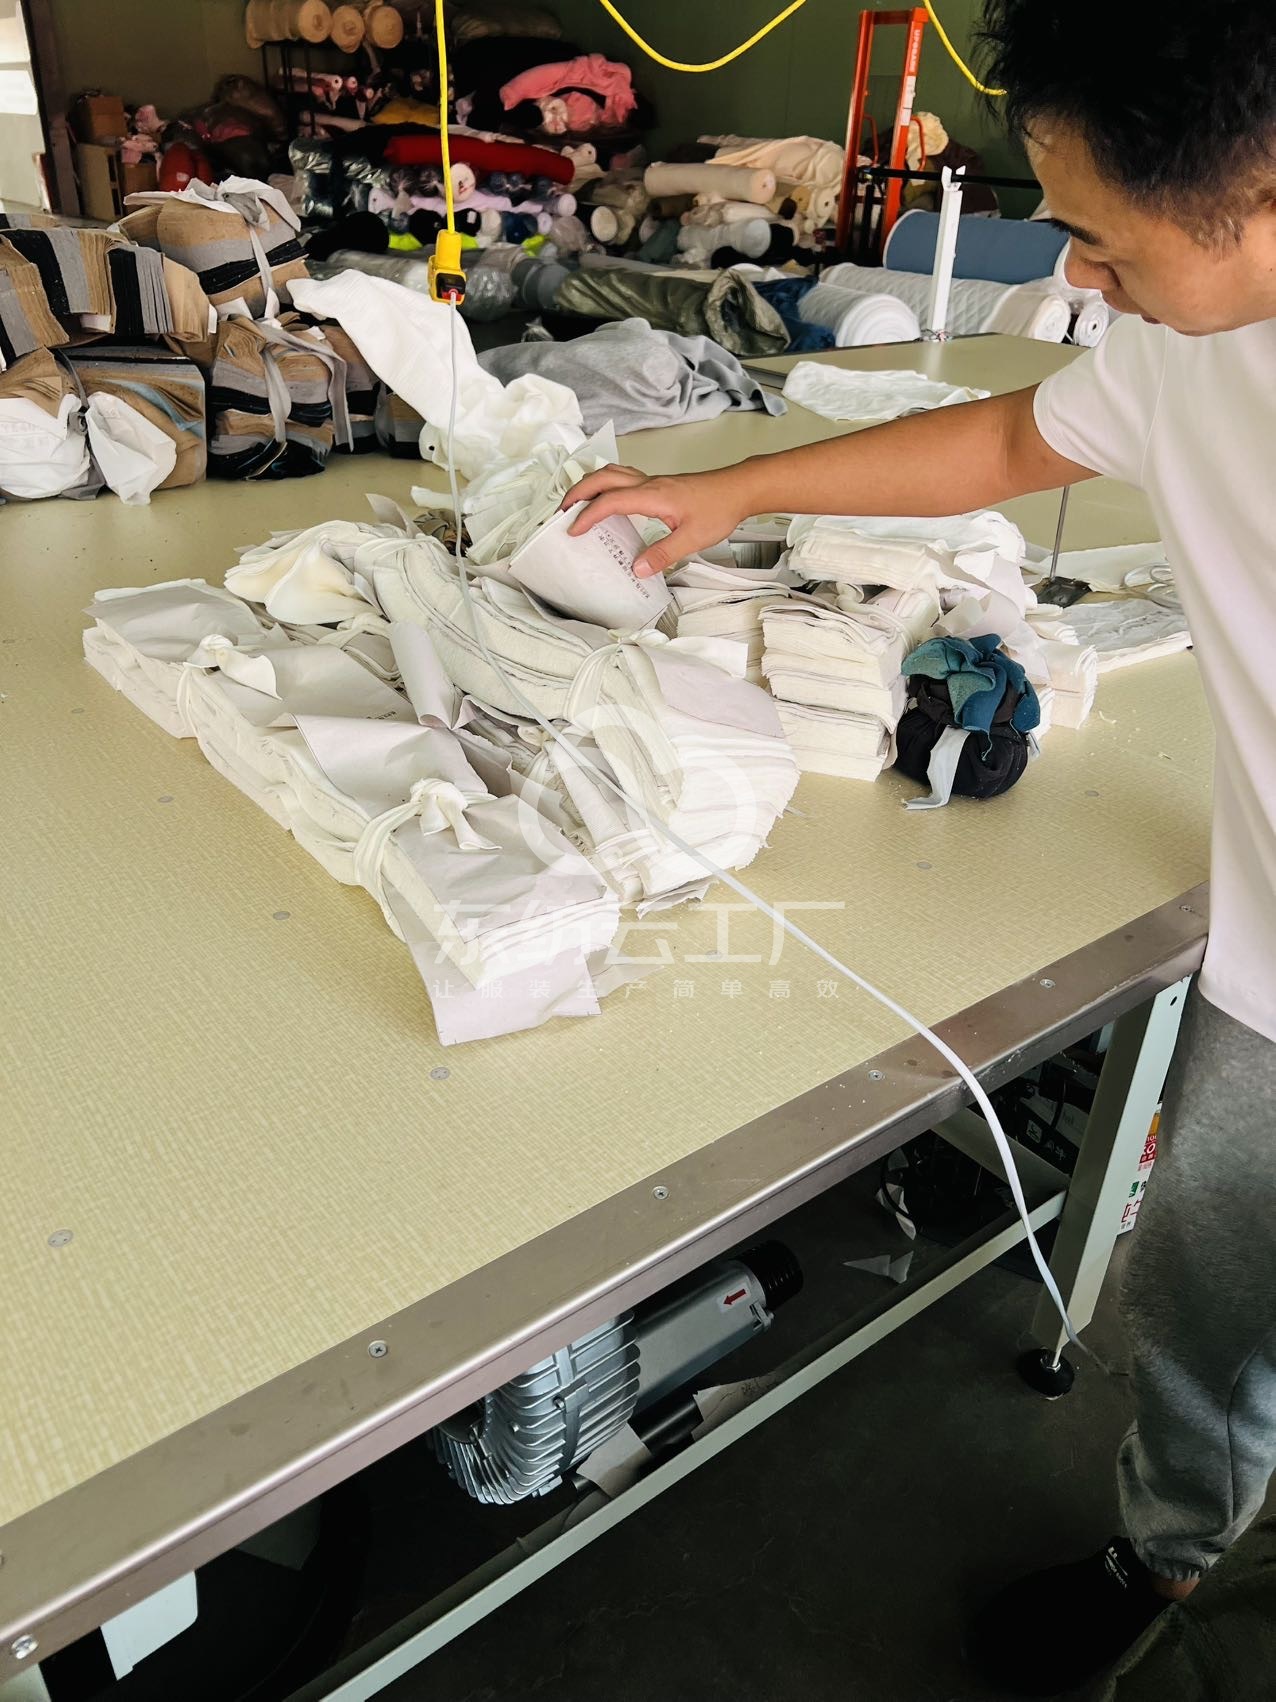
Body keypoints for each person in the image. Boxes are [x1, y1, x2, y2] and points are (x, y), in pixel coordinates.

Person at [563, 2, 1276, 1691]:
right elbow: (1018, 439)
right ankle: (1171, 1554)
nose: (1077, 273)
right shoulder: (1191, 341)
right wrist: (743, 491)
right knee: (1213, 1290)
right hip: (1269, 970)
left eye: (1099, 237)